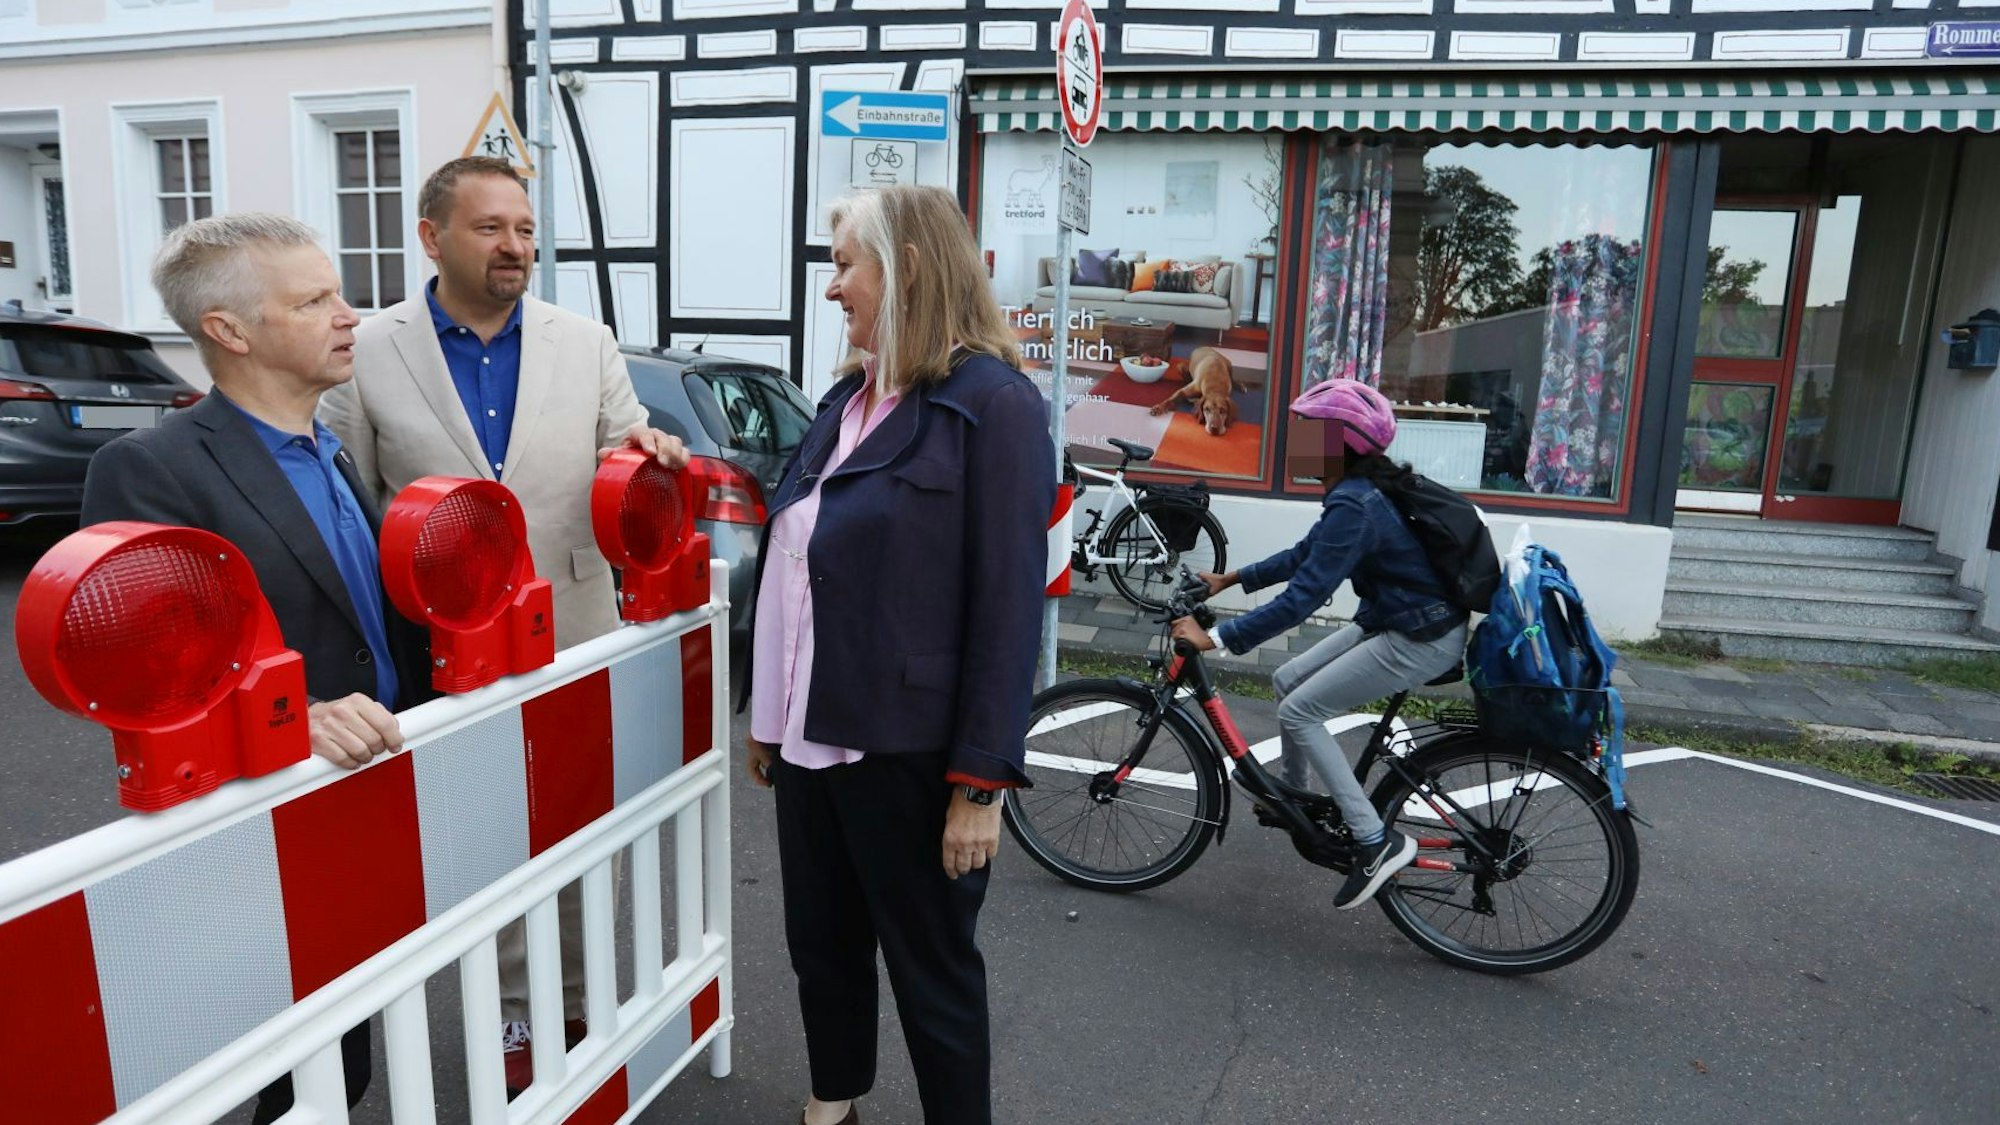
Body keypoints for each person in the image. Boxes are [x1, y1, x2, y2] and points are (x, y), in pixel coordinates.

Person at [317, 155, 688, 1094]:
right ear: (432, 236)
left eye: (524, 228)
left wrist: (648, 449)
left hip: (575, 619)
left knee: (579, 827)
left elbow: (622, 442)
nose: (516, 246)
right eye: (490, 229)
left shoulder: (584, 337)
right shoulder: (370, 349)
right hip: (446, 640)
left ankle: (573, 996)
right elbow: (354, 501)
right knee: (482, 837)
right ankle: (516, 1014)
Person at [80, 212, 427, 1123]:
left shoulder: (332, 447)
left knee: (341, 1054)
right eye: (314, 301)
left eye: (339, 293)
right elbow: (139, 666)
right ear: (228, 332)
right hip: (254, 828)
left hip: (357, 800)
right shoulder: (147, 469)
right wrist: (293, 714)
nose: (349, 315)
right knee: (284, 1070)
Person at [741, 184, 1055, 1125]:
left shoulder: (992, 404)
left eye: (846, 263)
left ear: (908, 267)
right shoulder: (845, 399)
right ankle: (833, 1095)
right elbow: (796, 561)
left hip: (912, 754)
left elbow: (1008, 609)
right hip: (810, 736)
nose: (833, 287)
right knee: (822, 944)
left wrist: (979, 785)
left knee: (932, 972)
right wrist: (766, 721)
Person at [1170, 378, 1469, 911]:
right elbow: (1306, 552)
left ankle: (1375, 840)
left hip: (1419, 635)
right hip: (1403, 619)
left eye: (1307, 431)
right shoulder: (1355, 494)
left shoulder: (1357, 504)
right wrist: (1232, 577)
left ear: (1343, 443)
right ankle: (1294, 797)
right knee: (1289, 682)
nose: (1294, 441)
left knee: (1301, 710)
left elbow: (1304, 598)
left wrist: (1215, 638)